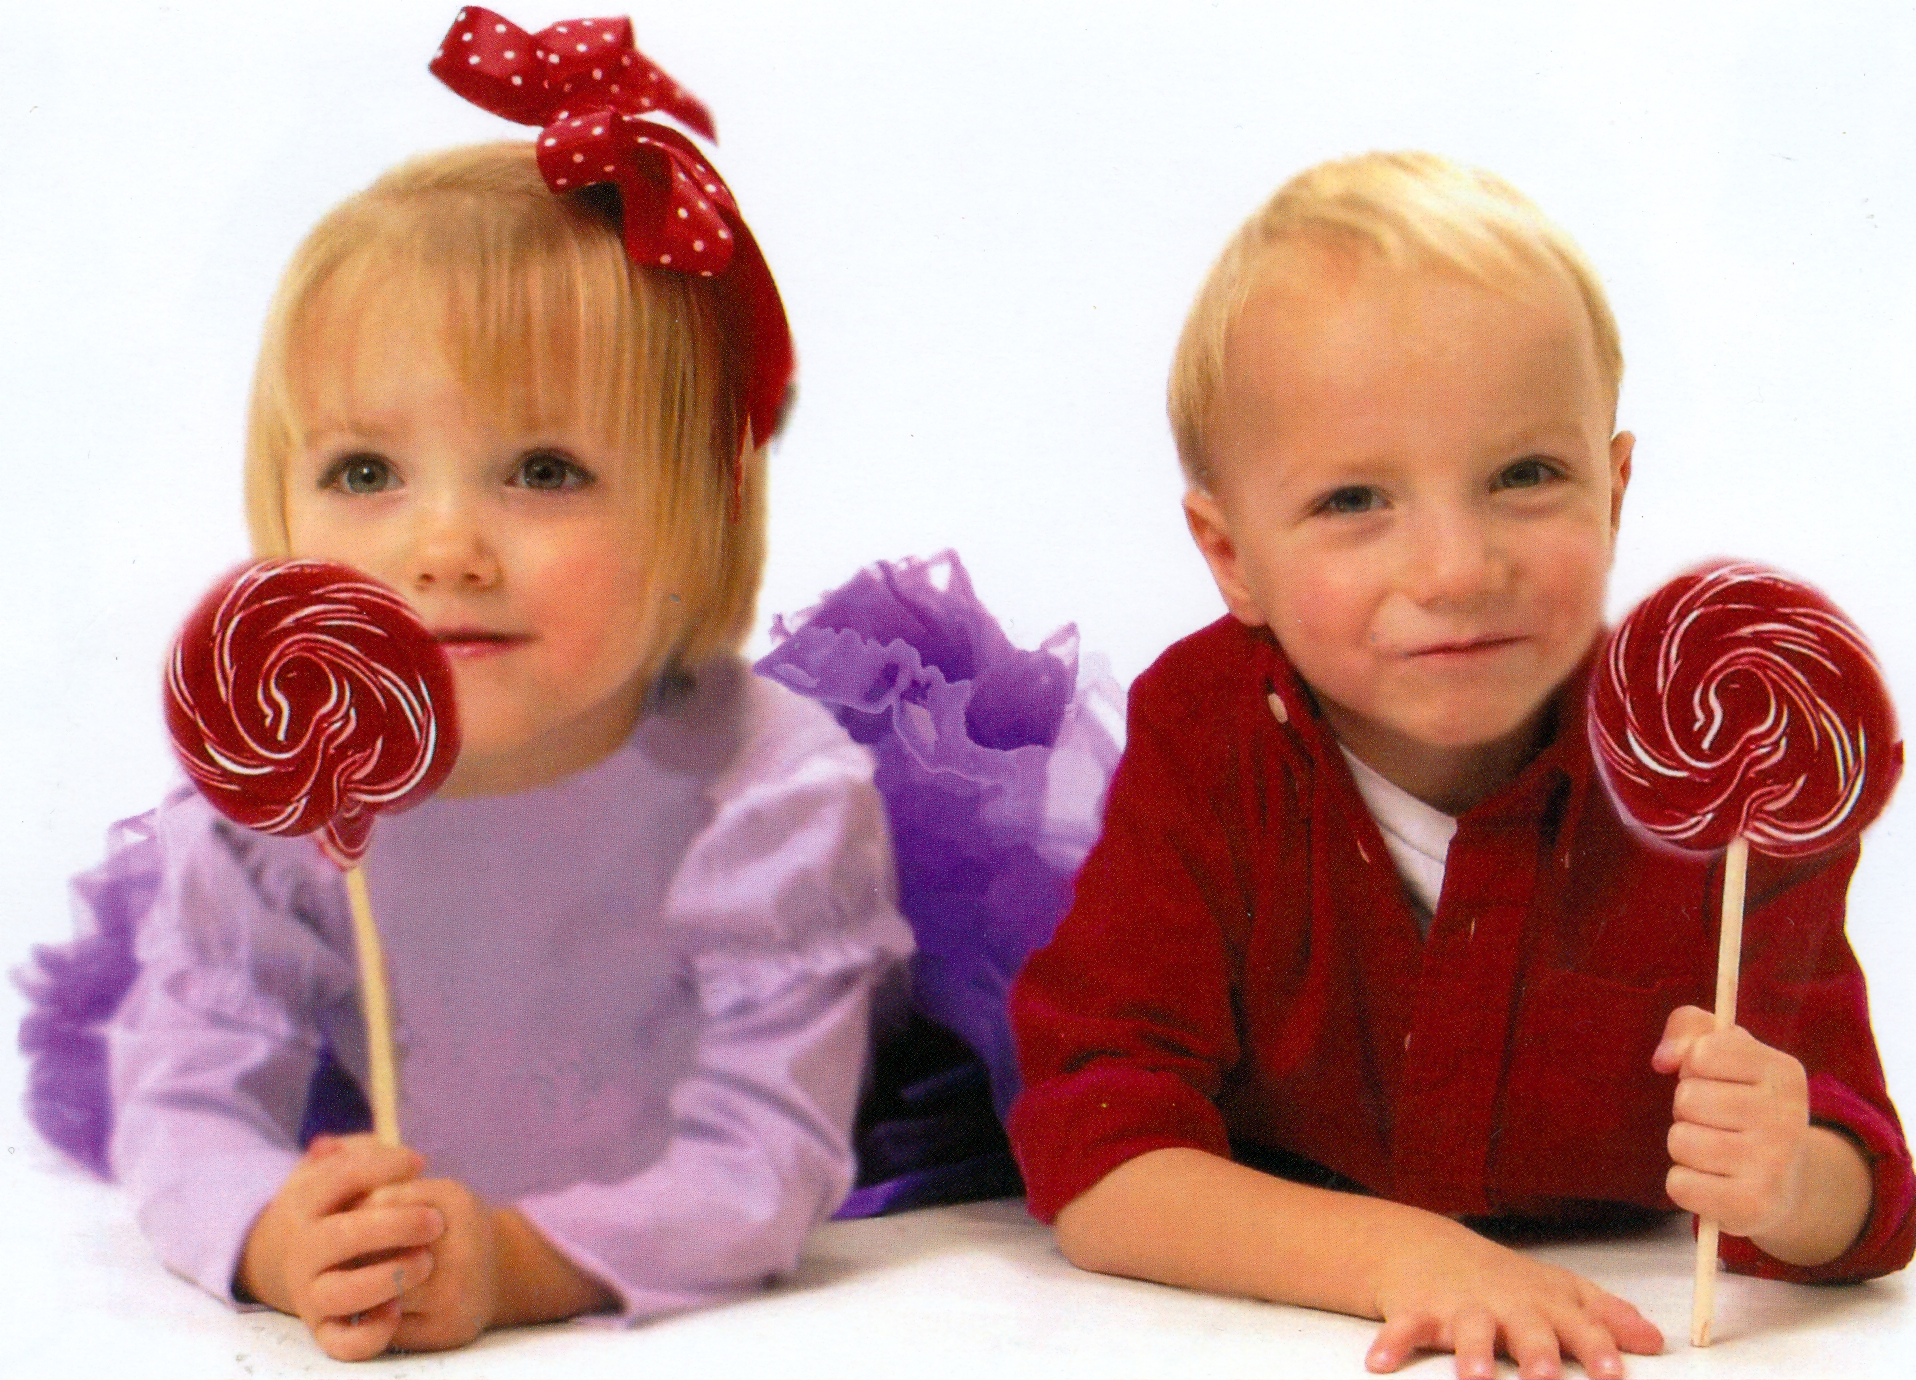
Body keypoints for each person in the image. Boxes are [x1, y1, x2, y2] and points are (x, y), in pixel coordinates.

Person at [27, 17, 918, 1361]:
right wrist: (275, 1234)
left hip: (707, 1191)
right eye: (365, 473)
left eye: (545, 471)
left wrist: (516, 1264)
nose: (443, 549)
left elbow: (761, 1158)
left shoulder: (767, 799)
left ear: (698, 512)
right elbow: (187, 1092)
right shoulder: (281, 793)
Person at [1006, 151, 1914, 1380]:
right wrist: (1404, 1259)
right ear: (1228, 556)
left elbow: (1866, 1192)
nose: (1453, 569)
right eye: (1352, 501)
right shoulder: (1208, 735)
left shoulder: (1717, 765)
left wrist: (1789, 1177)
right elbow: (1100, 1158)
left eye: (1525, 476)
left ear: (1613, 488)